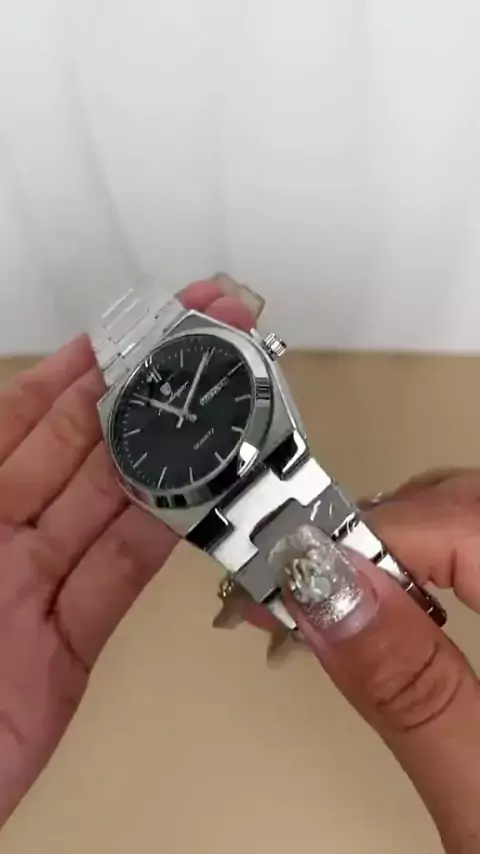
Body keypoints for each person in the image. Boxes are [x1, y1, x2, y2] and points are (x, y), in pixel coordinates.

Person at [0, 278, 479, 853]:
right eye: (168, 411)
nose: (181, 411)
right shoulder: (139, 441)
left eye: (185, 400)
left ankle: (364, 596)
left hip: (264, 464)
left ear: (263, 355)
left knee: (318, 519)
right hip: (211, 507)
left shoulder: (199, 393)